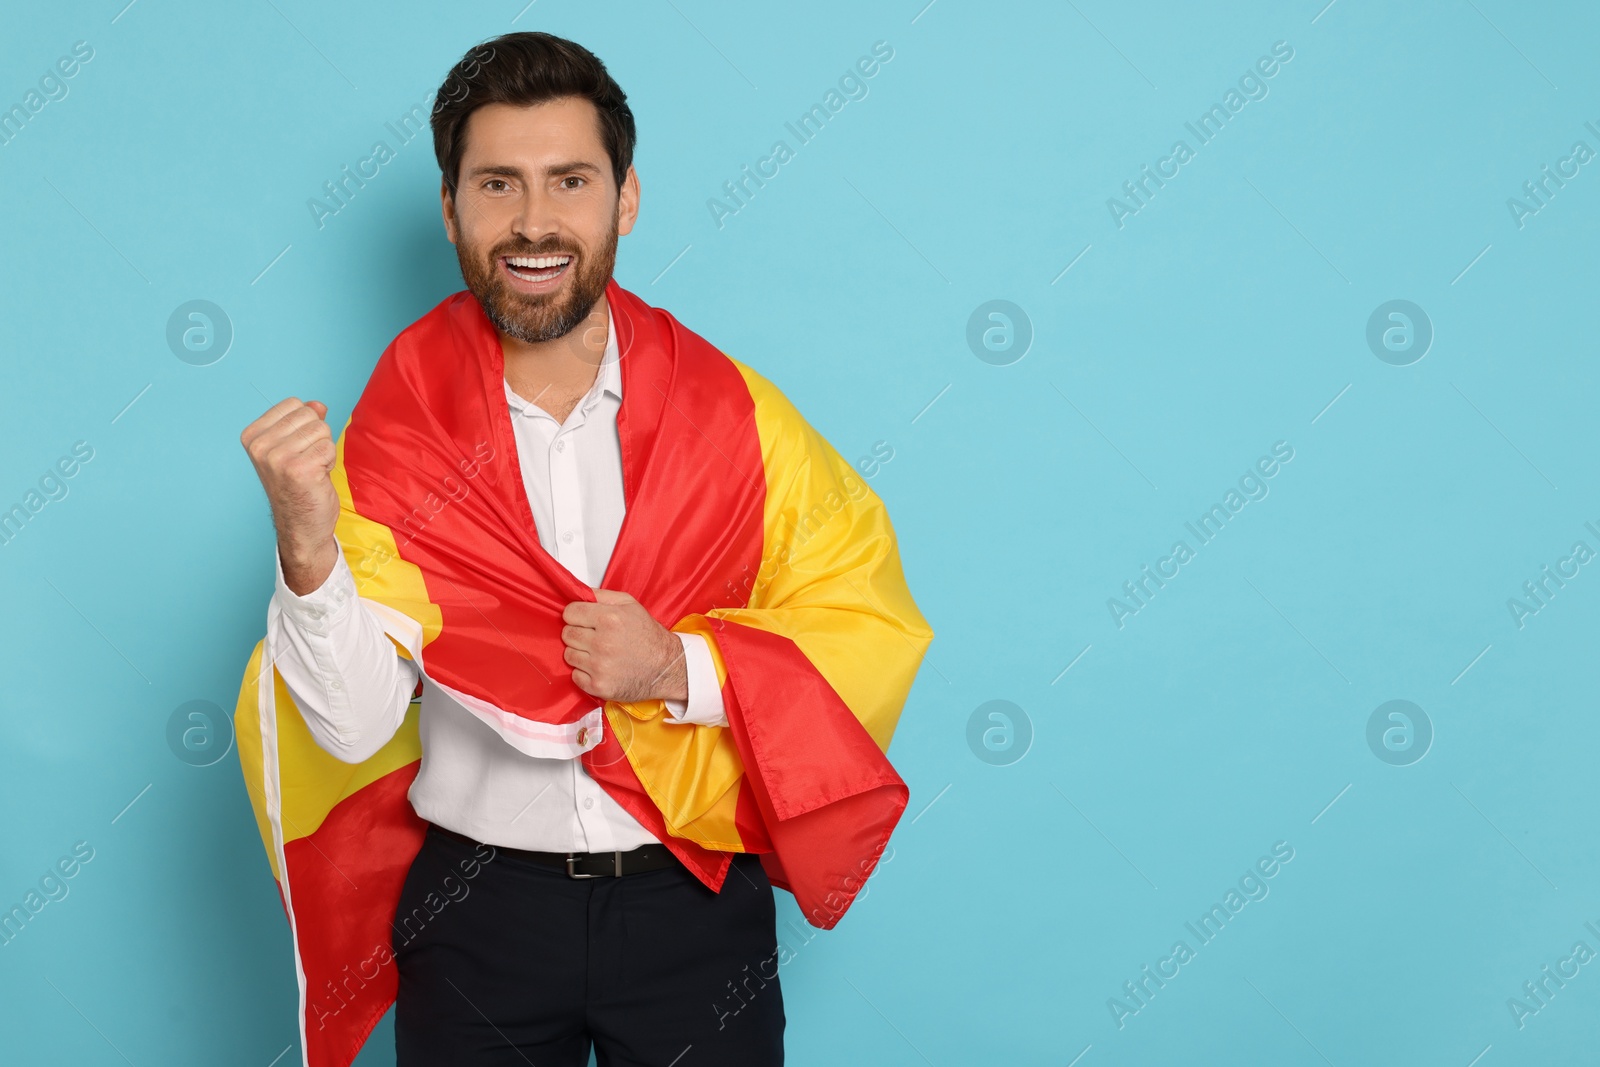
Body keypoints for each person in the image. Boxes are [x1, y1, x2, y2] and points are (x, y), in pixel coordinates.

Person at [235, 31, 932, 1067]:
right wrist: (305, 543)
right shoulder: (402, 424)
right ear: (451, 208)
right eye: (497, 183)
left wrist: (673, 665)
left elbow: (861, 627)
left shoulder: (734, 416)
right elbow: (351, 723)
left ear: (625, 198)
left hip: (694, 905)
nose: (533, 222)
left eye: (569, 180)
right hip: (479, 919)